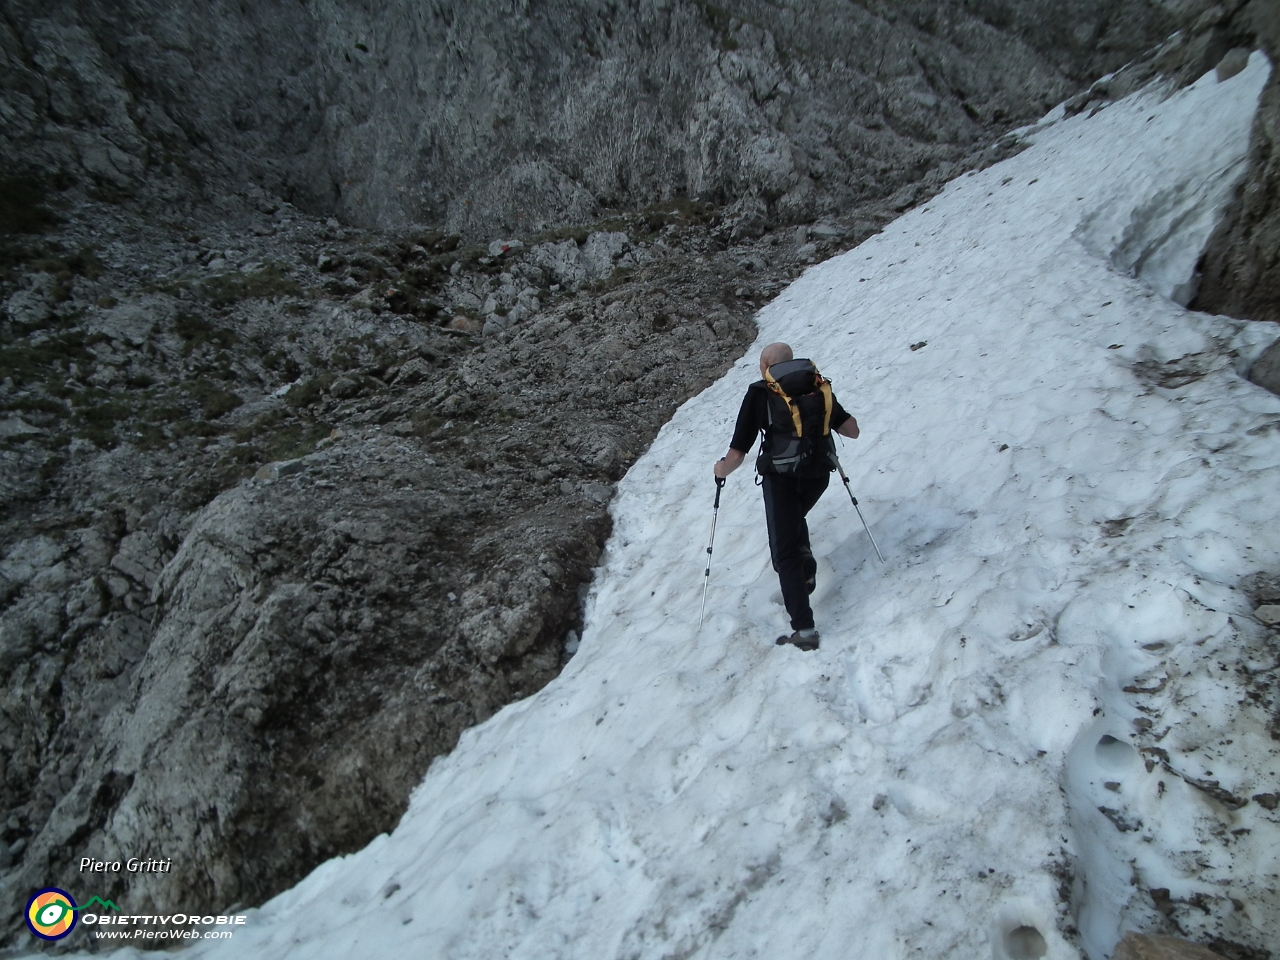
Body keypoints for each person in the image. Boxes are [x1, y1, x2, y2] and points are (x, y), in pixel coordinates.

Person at [713, 342, 860, 650]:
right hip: (818, 474)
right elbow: (851, 430)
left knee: (785, 552)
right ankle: (804, 567)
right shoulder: (816, 386)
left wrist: (720, 470)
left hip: (781, 478)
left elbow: (738, 452)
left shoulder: (761, 392)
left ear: (766, 364)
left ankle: (804, 629)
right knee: (795, 522)